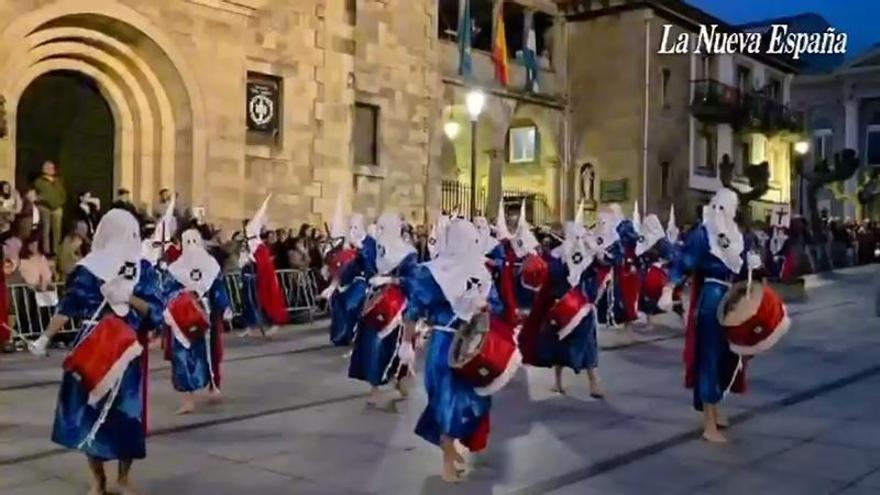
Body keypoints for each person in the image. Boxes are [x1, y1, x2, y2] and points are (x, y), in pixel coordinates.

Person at [28, 208, 164, 495]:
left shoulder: (144, 268)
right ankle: (99, 479)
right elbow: (69, 306)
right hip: (95, 342)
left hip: (125, 346)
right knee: (90, 409)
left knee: (126, 411)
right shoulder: (89, 267)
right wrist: (45, 337)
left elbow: (156, 312)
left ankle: (123, 478)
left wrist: (129, 297)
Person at [660, 188, 760, 443]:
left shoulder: (739, 236)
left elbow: (747, 267)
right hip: (713, 297)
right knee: (710, 357)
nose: (725, 211)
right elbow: (684, 261)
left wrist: (756, 264)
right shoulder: (704, 234)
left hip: (734, 298)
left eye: (730, 206)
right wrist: (669, 287)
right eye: (722, 206)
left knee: (730, 357)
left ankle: (716, 407)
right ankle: (708, 421)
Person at [400, 218, 493, 483]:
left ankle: (450, 449)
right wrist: (406, 343)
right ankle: (447, 460)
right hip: (445, 345)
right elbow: (413, 310)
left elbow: (492, 303)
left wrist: (484, 306)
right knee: (447, 403)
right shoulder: (432, 272)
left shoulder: (480, 270)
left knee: (475, 401)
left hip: (473, 344)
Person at [527, 220, 605, 397]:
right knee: (558, 344)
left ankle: (594, 383)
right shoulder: (556, 255)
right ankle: (559, 382)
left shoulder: (584, 255)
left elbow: (598, 267)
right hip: (560, 304)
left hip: (579, 305)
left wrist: (594, 252)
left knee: (587, 345)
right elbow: (548, 275)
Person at [348, 212, 417, 407]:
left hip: (397, 306)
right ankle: (375, 388)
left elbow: (413, 281)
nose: (379, 231)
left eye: (383, 228)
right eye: (378, 227)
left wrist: (390, 279)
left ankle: (400, 381)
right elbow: (360, 265)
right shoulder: (374, 248)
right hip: (375, 302)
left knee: (395, 346)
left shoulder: (408, 253)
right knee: (371, 346)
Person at [163, 229, 232, 414]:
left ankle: (213, 385)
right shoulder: (176, 268)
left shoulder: (210, 265)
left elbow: (218, 287)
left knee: (212, 351)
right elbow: (168, 291)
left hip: (207, 315)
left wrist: (224, 306)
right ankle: (188, 398)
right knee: (183, 356)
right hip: (183, 317)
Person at [238, 197, 288, 337]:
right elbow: (242, 261)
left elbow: (262, 264)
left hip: (263, 280)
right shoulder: (250, 247)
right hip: (252, 278)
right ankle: (251, 325)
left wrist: (252, 260)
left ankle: (274, 322)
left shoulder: (261, 249)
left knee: (267, 299)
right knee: (250, 301)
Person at [323, 213, 374, 346]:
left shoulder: (370, 242)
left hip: (362, 280)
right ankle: (340, 335)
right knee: (337, 302)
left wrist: (361, 249)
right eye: (350, 227)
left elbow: (371, 266)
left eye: (356, 227)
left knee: (350, 303)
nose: (353, 230)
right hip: (343, 281)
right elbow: (335, 261)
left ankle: (353, 333)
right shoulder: (344, 243)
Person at [33, 160, 66, 256]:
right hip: (44, 207)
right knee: (45, 229)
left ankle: (56, 250)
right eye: (49, 168)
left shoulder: (58, 181)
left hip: (57, 208)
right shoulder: (39, 181)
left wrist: (60, 202)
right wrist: (43, 199)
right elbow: (38, 194)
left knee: (57, 230)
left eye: (52, 168)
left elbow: (62, 194)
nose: (52, 169)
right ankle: (46, 250)